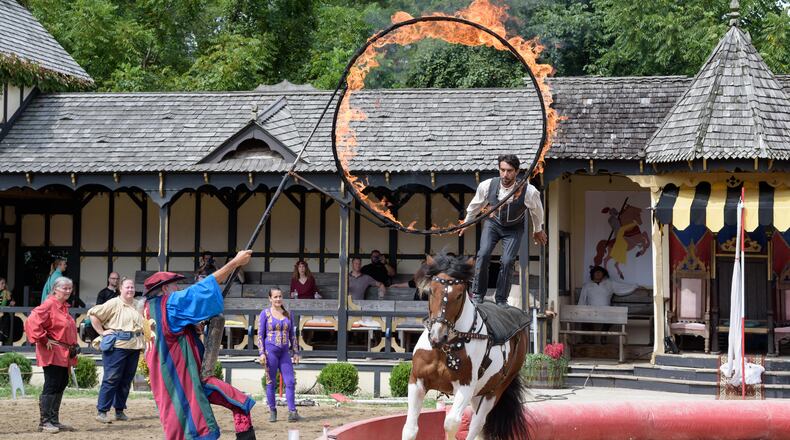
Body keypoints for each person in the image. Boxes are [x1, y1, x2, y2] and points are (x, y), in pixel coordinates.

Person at [143, 250, 257, 440]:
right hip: (183, 379)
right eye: (175, 286)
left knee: (237, 402)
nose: (178, 289)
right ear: (164, 290)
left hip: (181, 377)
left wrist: (192, 326)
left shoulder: (150, 309)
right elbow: (202, 289)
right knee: (192, 428)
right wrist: (234, 263)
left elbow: (173, 333)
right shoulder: (169, 305)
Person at [459, 154, 547, 305]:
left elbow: (537, 211)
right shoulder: (487, 185)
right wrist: (467, 222)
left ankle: (501, 298)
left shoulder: (529, 191)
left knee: (507, 261)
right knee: (483, 254)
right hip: (493, 224)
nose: (505, 174)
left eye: (510, 171)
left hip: (514, 228)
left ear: (517, 171)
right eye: (502, 170)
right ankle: (478, 294)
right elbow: (476, 205)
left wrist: (537, 229)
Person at [24, 277, 78, 434]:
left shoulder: (63, 307)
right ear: (55, 289)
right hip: (52, 352)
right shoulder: (49, 304)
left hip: (64, 352)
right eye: (65, 288)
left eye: (70, 288)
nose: (68, 291)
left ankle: (54, 420)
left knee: (62, 382)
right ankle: (45, 422)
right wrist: (43, 338)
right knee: (52, 383)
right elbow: (32, 320)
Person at [88, 277, 145, 423]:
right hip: (117, 347)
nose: (130, 290)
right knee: (111, 378)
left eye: (132, 287)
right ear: (121, 289)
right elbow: (94, 314)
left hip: (134, 346)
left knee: (126, 380)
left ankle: (119, 411)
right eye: (127, 287)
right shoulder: (113, 303)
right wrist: (102, 332)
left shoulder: (139, 305)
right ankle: (102, 411)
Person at [258, 288, 301, 422]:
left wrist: (296, 351)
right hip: (270, 351)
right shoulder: (265, 313)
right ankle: (272, 410)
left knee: (290, 381)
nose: (278, 299)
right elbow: (260, 335)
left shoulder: (288, 313)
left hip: (284, 352)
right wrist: (261, 353)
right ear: (270, 298)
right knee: (271, 381)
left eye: (280, 296)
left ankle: (292, 411)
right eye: (275, 297)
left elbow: (292, 335)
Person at [578, 266, 638, 344]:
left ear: (604, 274)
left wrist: (635, 286)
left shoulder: (609, 283)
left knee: (613, 315)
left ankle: (604, 335)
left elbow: (622, 288)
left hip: (606, 311)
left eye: (600, 272)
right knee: (585, 319)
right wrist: (579, 312)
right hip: (591, 312)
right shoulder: (587, 285)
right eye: (596, 272)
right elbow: (582, 300)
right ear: (592, 274)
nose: (598, 273)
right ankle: (589, 339)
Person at [0, 277, 15, 344]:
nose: (4, 285)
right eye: (2, 283)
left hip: (3, 316)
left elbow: (12, 301)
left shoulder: (6, 293)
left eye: (4, 283)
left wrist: (12, 302)